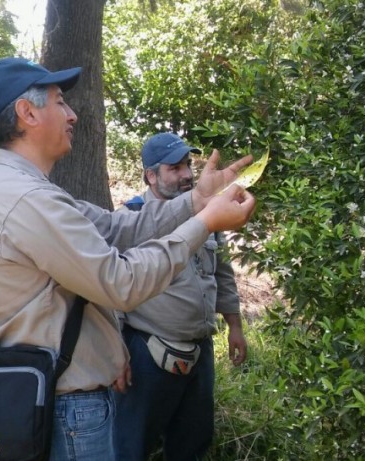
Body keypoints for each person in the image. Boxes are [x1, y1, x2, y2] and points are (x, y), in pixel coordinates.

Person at [0, 57, 256, 461]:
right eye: (60, 102)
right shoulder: (26, 199)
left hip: (60, 397)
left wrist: (196, 201)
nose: (72, 114)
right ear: (27, 112)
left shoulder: (24, 189)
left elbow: (118, 229)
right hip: (68, 408)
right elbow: (119, 282)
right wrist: (205, 223)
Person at [115, 132, 248, 461]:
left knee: (192, 444)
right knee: (132, 446)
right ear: (151, 176)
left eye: (188, 165)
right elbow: (109, 290)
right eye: (175, 168)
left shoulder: (208, 215)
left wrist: (235, 326)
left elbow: (222, 272)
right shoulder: (130, 220)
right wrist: (115, 352)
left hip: (200, 352)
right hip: (145, 354)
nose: (187, 174)